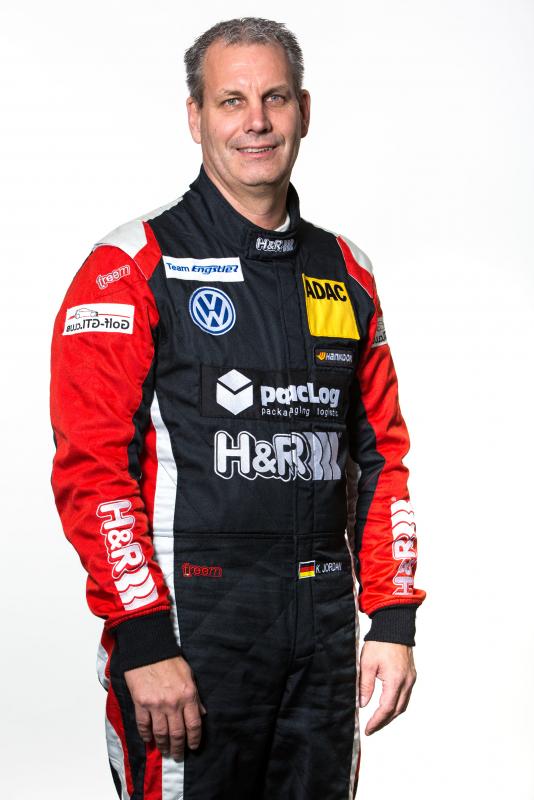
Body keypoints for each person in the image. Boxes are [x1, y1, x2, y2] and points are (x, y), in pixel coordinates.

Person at [50, 16, 426, 800]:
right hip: (190, 633)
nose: (256, 121)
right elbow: (92, 470)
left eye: (275, 98)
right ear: (195, 117)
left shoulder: (346, 271)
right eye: (231, 101)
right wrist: (142, 636)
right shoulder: (131, 266)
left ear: (304, 112)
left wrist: (392, 620)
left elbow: (381, 458)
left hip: (323, 638)